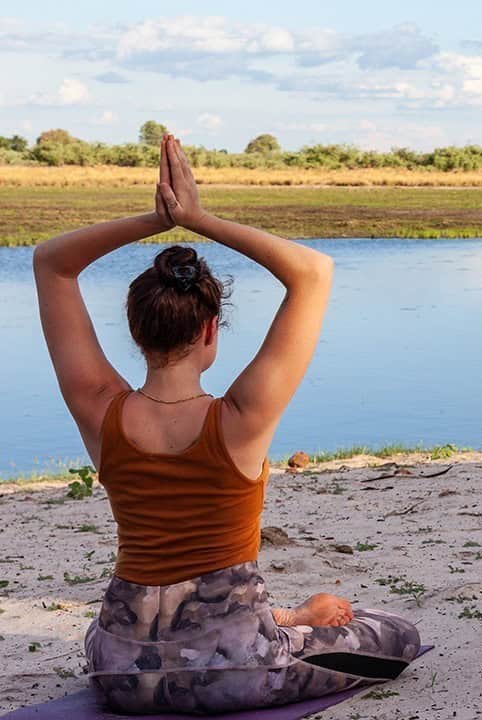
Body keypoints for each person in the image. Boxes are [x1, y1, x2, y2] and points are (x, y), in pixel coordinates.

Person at [33, 135, 422, 714]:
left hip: (119, 673)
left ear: (135, 328)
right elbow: (313, 272)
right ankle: (289, 621)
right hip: (233, 671)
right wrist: (197, 218)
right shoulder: (239, 419)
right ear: (211, 330)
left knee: (233, 624)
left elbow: (51, 263)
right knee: (396, 632)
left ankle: (288, 617)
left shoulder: (99, 408)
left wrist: (155, 219)